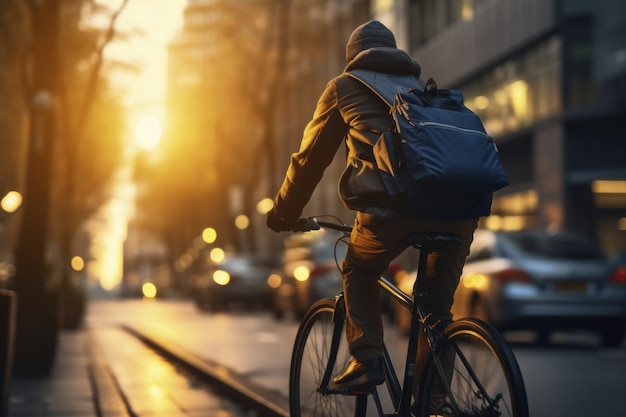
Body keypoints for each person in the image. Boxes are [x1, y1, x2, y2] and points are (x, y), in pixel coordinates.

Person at [266, 20, 477, 393]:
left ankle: (365, 358)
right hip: (460, 211)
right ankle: (438, 402)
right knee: (436, 313)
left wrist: (283, 212)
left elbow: (310, 160)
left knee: (358, 269)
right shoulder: (423, 90)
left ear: (353, 58)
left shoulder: (344, 87)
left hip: (392, 208)